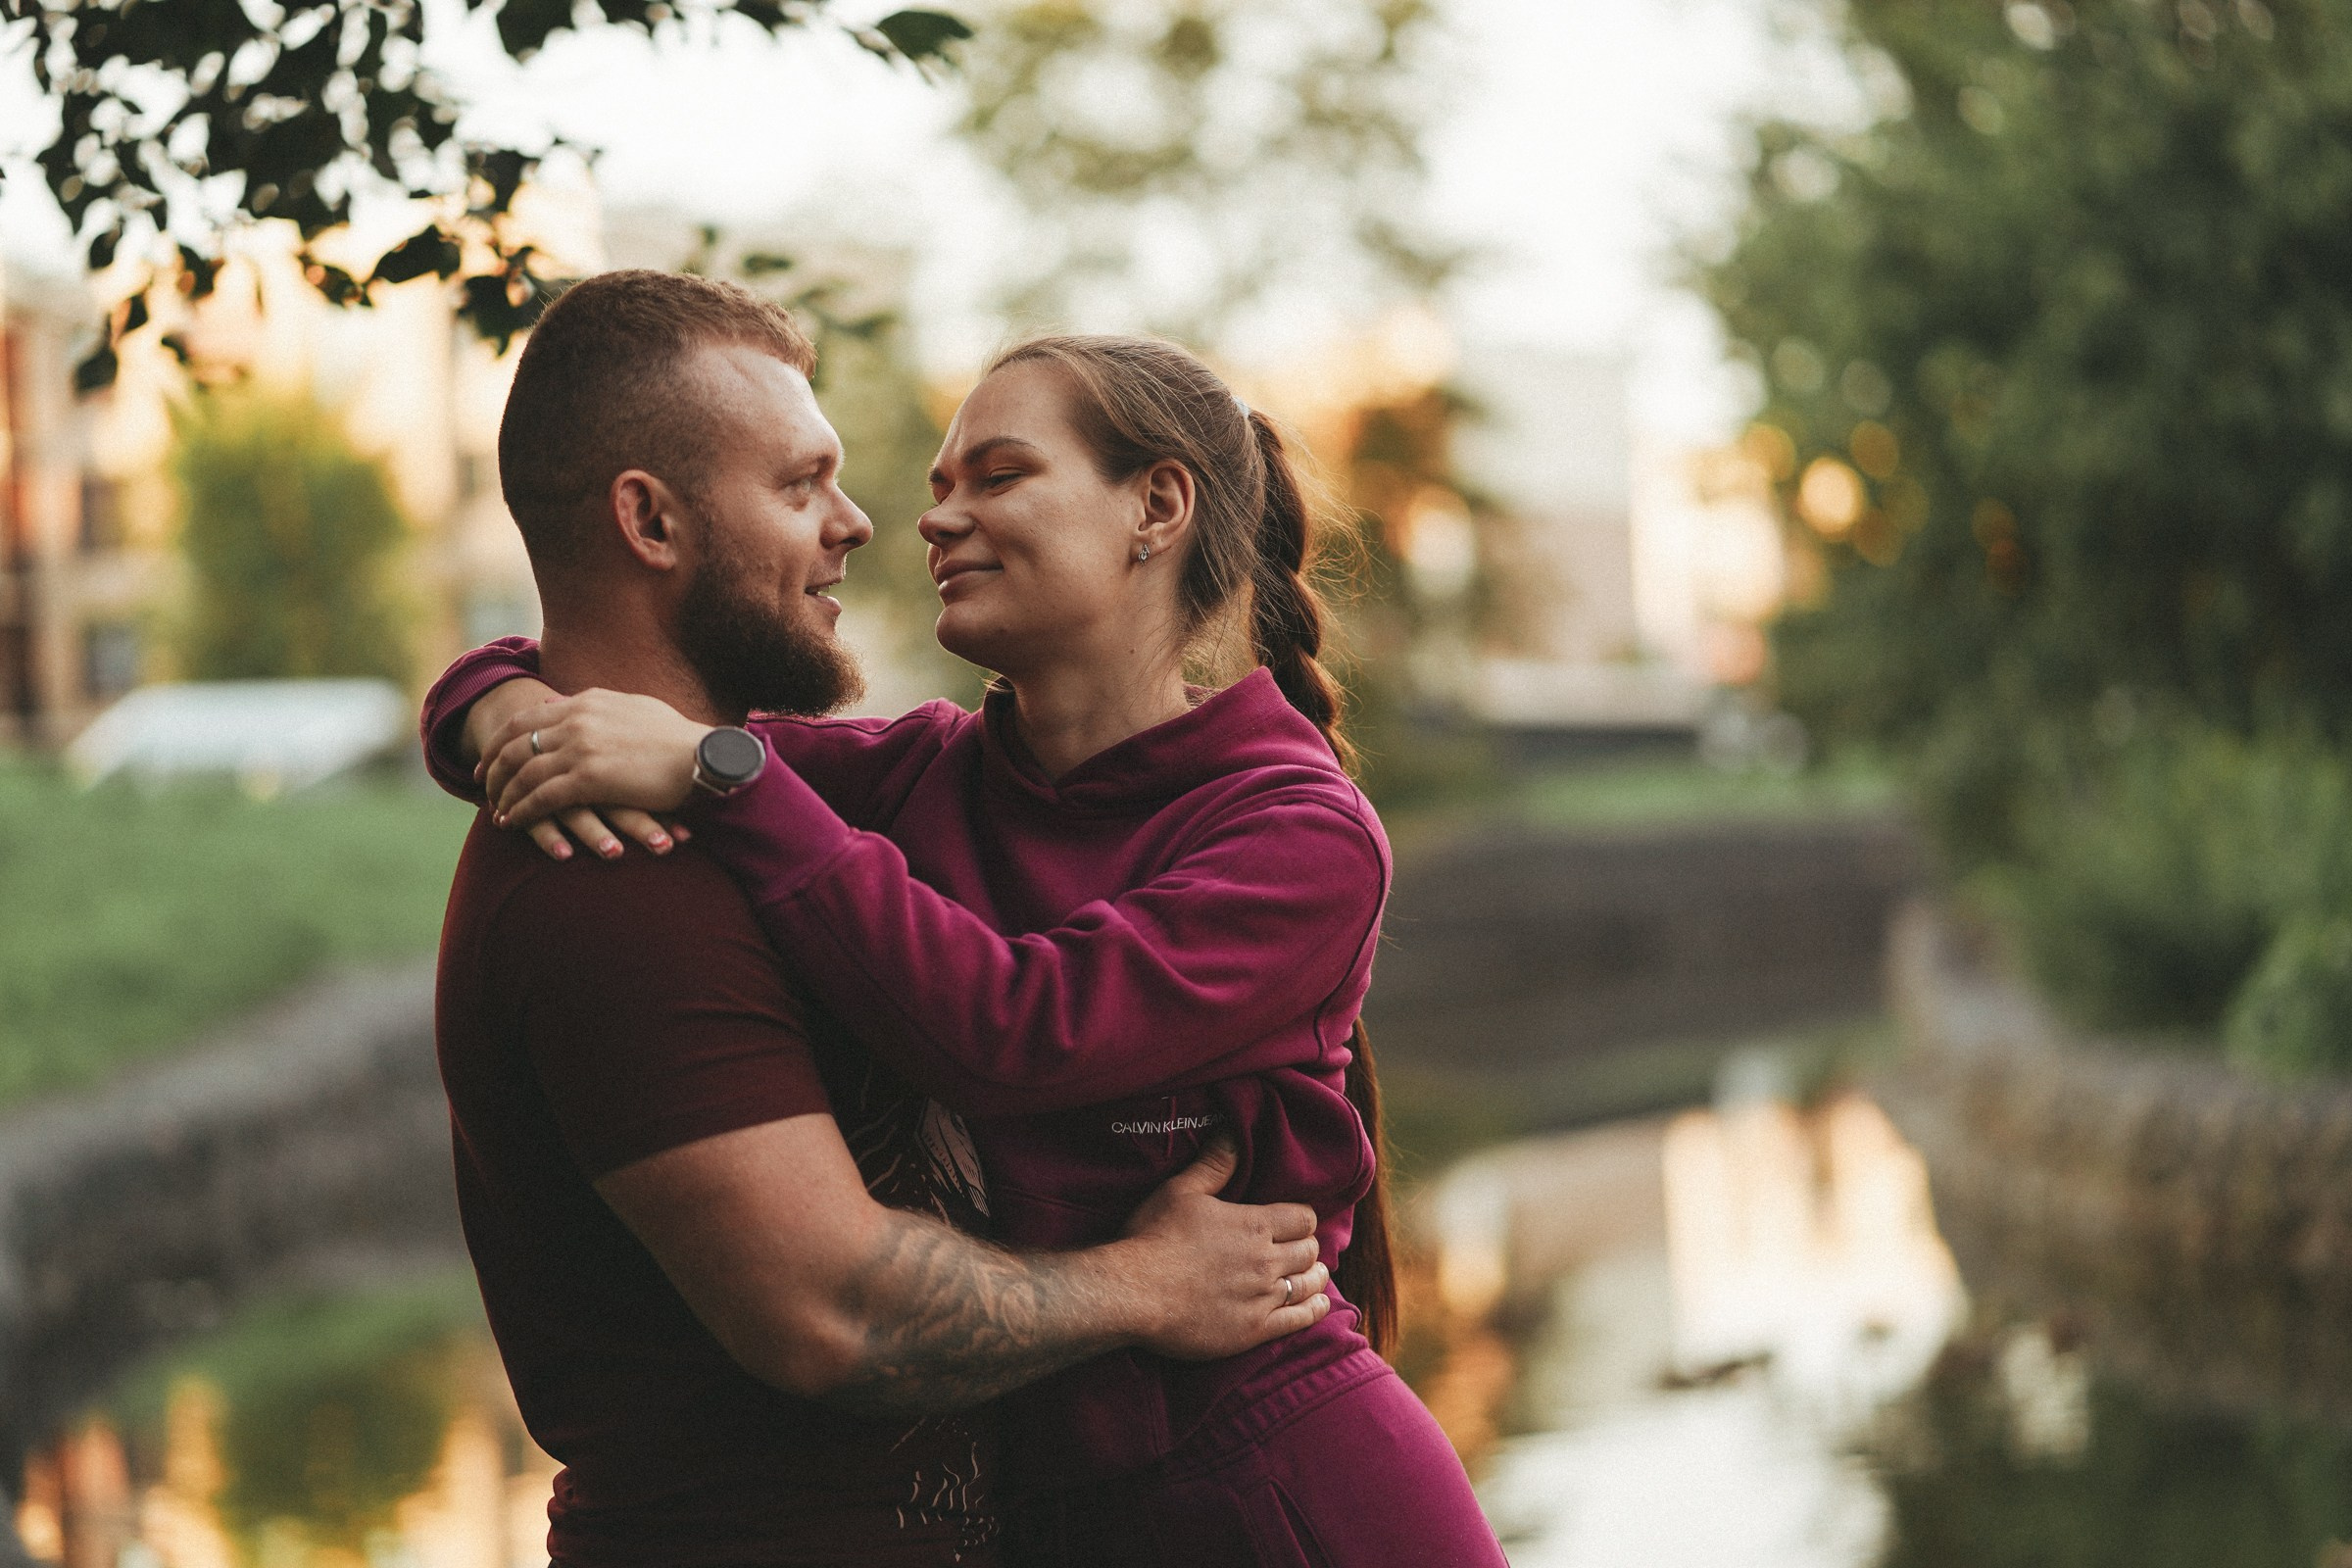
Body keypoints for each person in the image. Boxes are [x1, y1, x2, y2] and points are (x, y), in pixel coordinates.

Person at [425, 329, 1511, 1565]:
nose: (928, 519)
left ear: (1155, 507)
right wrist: (495, 704)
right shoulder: (920, 779)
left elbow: (1026, 1030)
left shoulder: (1300, 833)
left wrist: (724, 776)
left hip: (1272, 1479)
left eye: (996, 476)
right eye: (941, 484)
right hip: (1066, 1507)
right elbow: (614, 712)